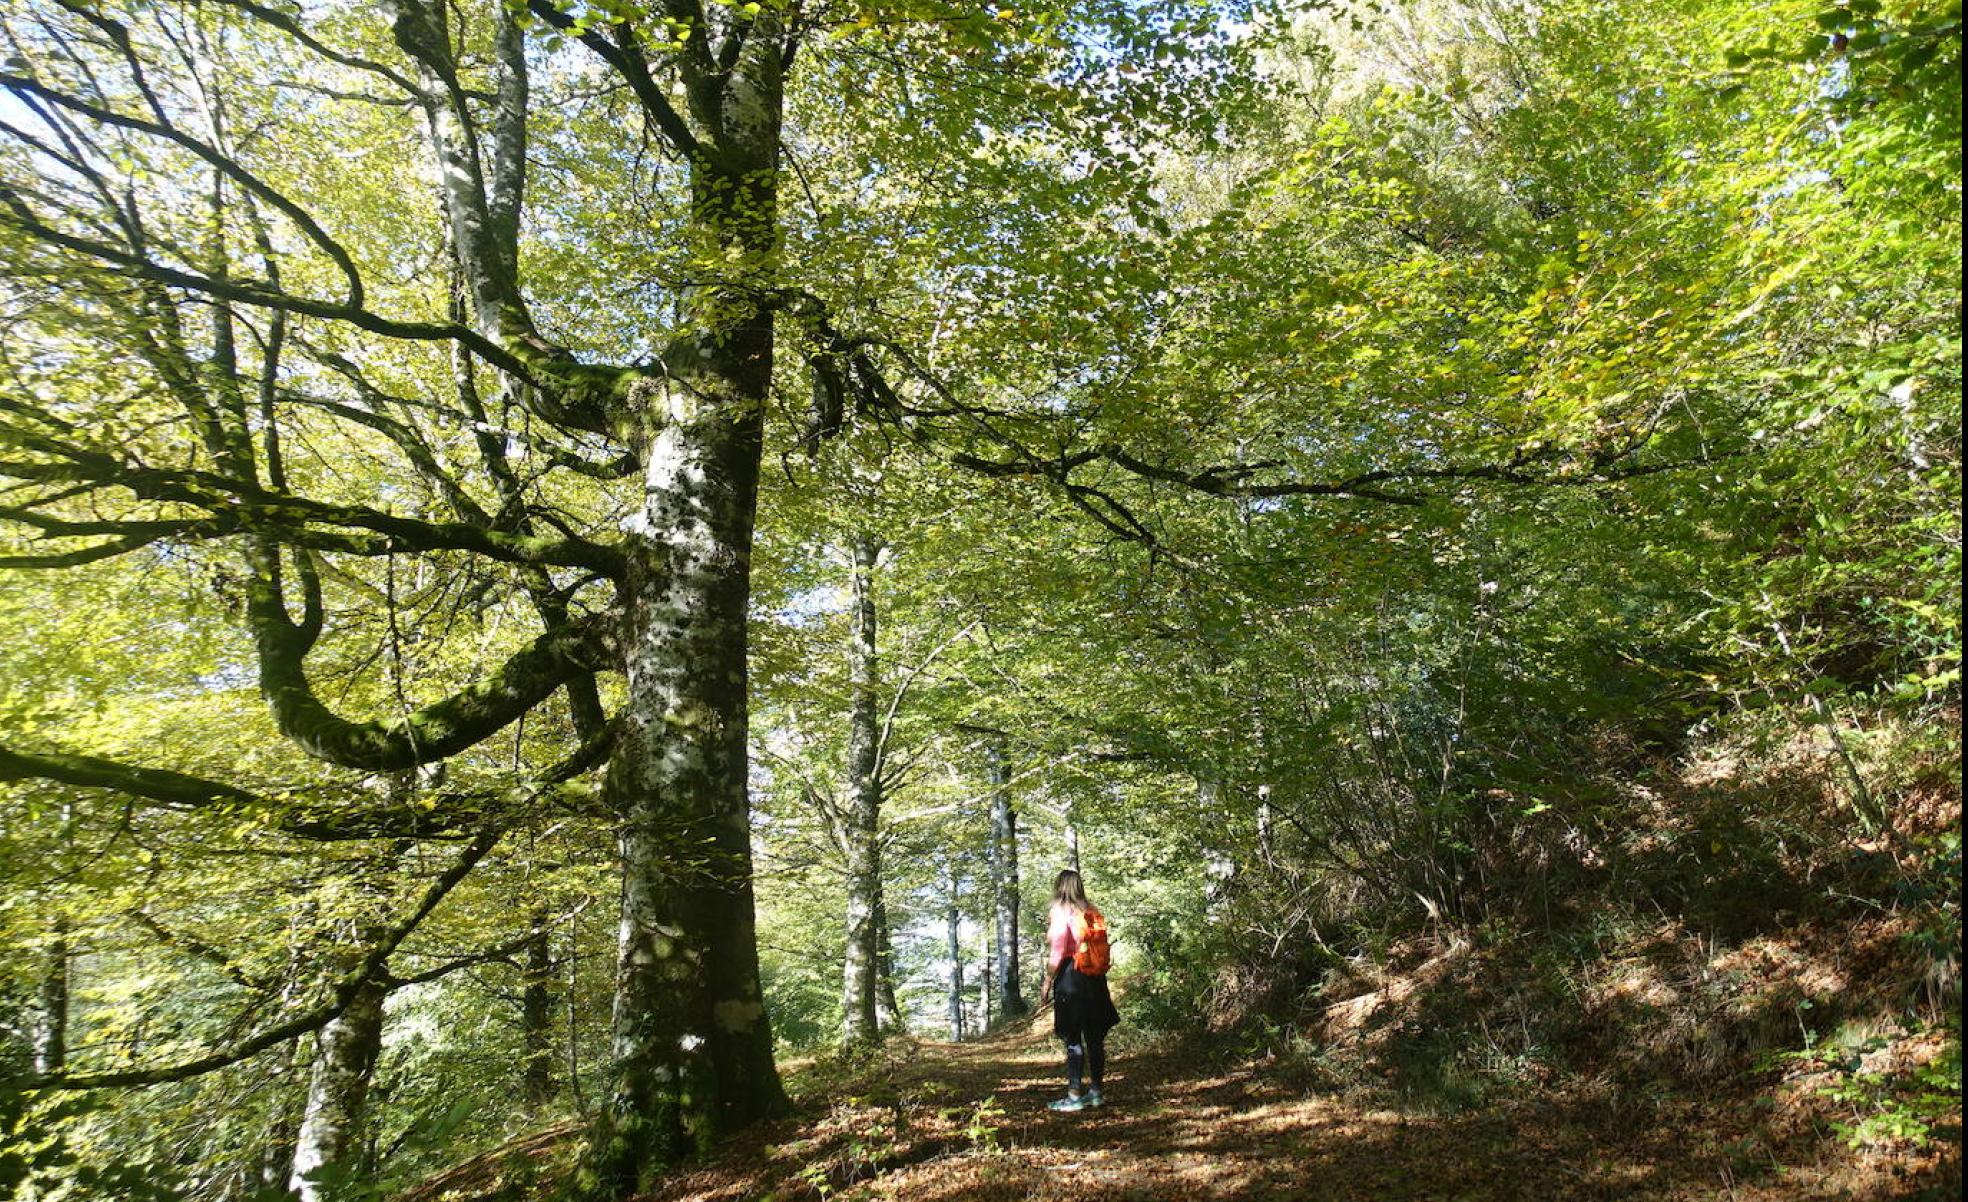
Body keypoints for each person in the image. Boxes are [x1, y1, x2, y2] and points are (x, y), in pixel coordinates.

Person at [1039, 868, 1120, 1112]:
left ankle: (1074, 1095)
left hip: (1071, 978)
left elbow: (1058, 950)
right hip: (1095, 979)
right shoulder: (1092, 910)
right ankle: (1096, 1092)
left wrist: (1047, 982)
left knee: (1073, 1038)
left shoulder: (1061, 911)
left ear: (1059, 886)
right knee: (1095, 1037)